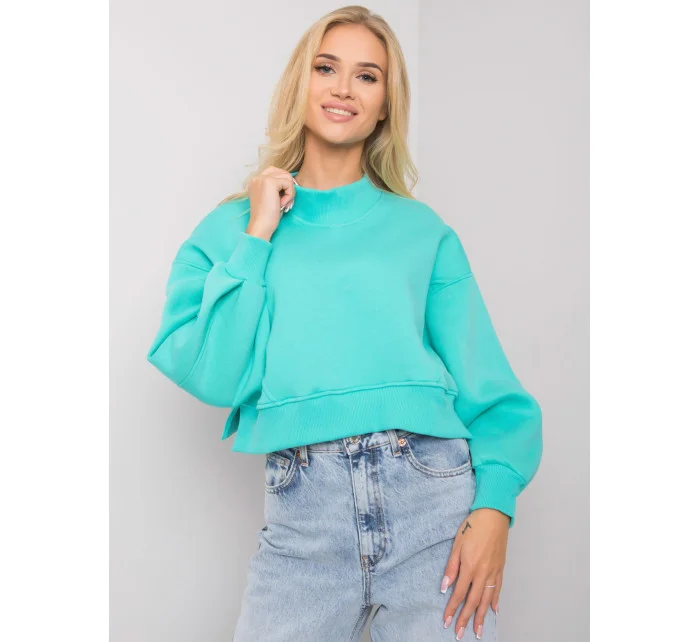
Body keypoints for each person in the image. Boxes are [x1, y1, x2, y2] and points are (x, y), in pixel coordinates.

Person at [146, 6, 542, 641]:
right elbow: (210, 373)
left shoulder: (422, 231)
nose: (343, 89)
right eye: (326, 68)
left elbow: (489, 388)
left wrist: (495, 505)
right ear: (299, 81)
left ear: (384, 105)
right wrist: (258, 233)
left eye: (367, 76)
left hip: (433, 513)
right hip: (304, 522)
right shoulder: (232, 230)